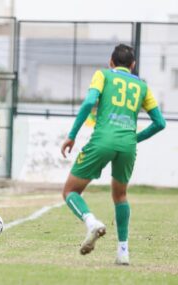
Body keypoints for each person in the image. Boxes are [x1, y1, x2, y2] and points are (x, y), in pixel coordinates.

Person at [60, 44, 166, 265]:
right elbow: (160, 123)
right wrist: (133, 138)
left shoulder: (103, 75)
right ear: (133, 65)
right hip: (127, 146)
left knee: (70, 191)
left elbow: (90, 101)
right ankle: (123, 252)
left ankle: (91, 223)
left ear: (111, 61)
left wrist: (71, 135)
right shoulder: (142, 86)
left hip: (102, 141)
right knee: (120, 196)